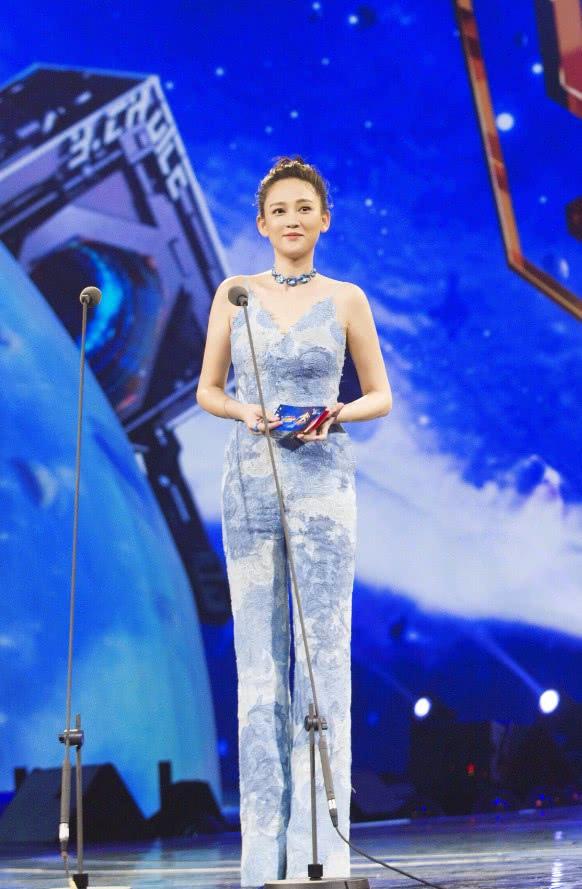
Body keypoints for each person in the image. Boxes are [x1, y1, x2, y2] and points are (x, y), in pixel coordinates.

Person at [196, 156, 392, 887]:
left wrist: (337, 411)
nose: (292, 219)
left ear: (324, 219)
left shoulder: (346, 298)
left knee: (323, 658)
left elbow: (379, 394)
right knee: (258, 664)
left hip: (323, 487)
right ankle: (261, 854)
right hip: (249, 483)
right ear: (261, 223)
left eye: (304, 208)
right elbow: (207, 389)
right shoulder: (234, 293)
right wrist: (245, 410)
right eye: (279, 209)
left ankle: (323, 847)